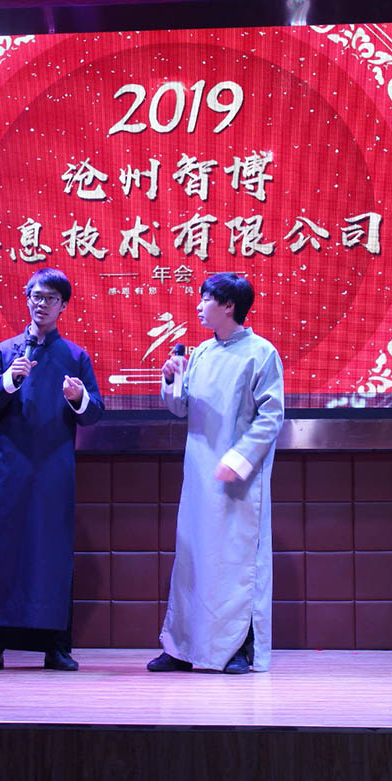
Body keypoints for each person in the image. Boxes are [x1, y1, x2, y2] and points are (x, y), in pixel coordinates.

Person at [147, 272, 285, 675]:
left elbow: (270, 417)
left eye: (206, 299)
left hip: (238, 481)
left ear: (228, 305)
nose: (199, 306)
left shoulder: (261, 353)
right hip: (199, 474)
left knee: (235, 564)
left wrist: (238, 460)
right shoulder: (203, 353)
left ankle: (235, 649)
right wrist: (172, 378)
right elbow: (181, 407)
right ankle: (182, 647)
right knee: (192, 559)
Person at [0, 268, 103, 672]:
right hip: (11, 467)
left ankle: (56, 646)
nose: (41, 304)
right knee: (4, 552)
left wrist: (79, 398)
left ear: (63, 306)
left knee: (53, 554)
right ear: (27, 300)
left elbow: (94, 413)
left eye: (50, 298)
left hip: (53, 470)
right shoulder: (5, 352)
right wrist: (9, 381)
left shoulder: (75, 357)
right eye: (36, 296)